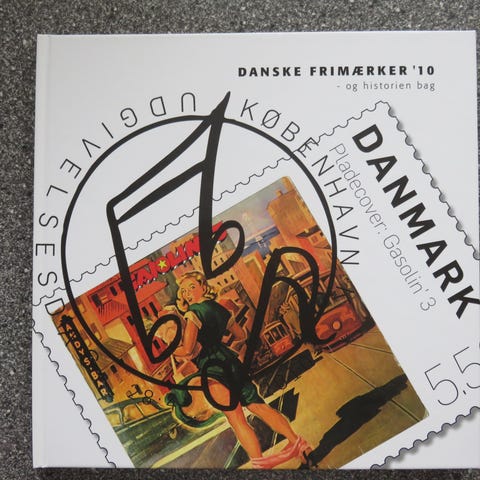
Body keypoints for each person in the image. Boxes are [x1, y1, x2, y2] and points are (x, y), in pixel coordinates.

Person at [172, 270, 311, 468]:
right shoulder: (219, 308)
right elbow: (240, 335)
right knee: (258, 405)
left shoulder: (192, 313)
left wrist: (172, 350)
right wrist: (225, 348)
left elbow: (187, 351)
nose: (187, 293)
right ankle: (299, 444)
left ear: (203, 287)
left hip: (213, 372)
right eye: (184, 291)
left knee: (237, 420)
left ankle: (261, 465)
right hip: (231, 362)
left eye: (191, 287)